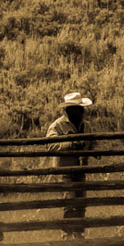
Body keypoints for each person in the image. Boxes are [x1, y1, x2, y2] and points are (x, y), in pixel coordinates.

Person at [44, 92, 94, 237]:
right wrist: (70, 145)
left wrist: (95, 150)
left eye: (82, 108)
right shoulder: (57, 126)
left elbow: (93, 142)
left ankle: (78, 233)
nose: (83, 111)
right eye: (79, 109)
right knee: (69, 200)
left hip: (81, 168)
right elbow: (50, 145)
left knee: (81, 201)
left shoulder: (86, 126)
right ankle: (66, 234)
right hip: (64, 169)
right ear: (70, 110)